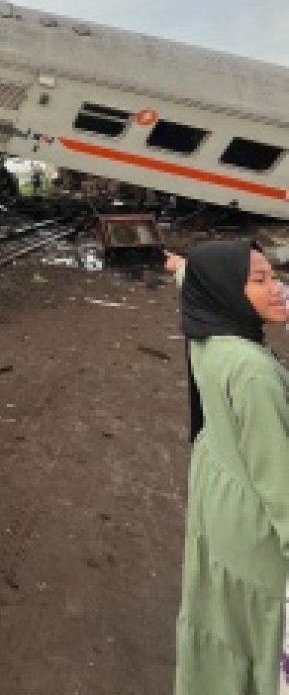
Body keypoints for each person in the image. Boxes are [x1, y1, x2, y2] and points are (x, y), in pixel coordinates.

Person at [174, 239, 289, 695]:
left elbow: (191, 279)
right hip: (255, 522)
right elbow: (280, 480)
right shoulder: (253, 372)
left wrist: (178, 265)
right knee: (258, 630)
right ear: (224, 290)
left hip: (219, 500)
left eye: (275, 276)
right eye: (259, 280)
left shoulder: (207, 335)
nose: (278, 288)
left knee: (224, 621)